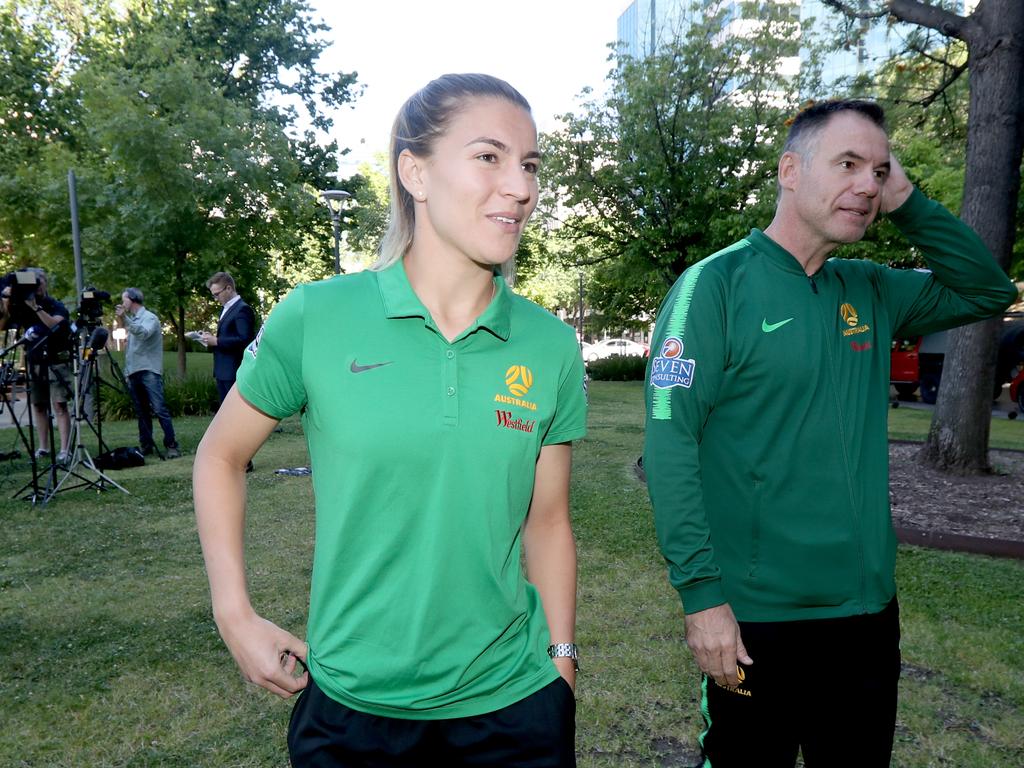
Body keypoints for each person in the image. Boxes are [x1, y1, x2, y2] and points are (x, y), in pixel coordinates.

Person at [194, 73, 587, 767]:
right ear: (416, 172)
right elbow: (220, 457)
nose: (521, 187)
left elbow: (548, 519)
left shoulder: (549, 344)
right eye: (490, 157)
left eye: (529, 165)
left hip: (513, 708)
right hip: (353, 713)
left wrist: (561, 662)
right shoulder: (319, 316)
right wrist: (235, 615)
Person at [643, 99, 1017, 767]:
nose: (867, 185)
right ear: (790, 170)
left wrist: (908, 202)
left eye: (878, 171)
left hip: (867, 614)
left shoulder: (870, 288)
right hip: (757, 617)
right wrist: (703, 600)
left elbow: (989, 289)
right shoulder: (715, 287)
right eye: (847, 164)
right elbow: (670, 445)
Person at [0, 269, 73, 464]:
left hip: (57, 360)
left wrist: (36, 308)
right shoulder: (22, 307)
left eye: (40, 280)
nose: (37, 284)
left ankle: (65, 449)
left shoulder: (55, 305)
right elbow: (3, 323)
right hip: (35, 361)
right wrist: (7, 299)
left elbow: (55, 326)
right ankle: (44, 447)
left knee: (59, 404)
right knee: (39, 406)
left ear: (45, 282)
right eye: (34, 281)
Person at [116, 288, 180, 459]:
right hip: (134, 372)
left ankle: (172, 445)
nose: (122, 303)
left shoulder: (150, 318)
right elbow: (131, 350)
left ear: (133, 299)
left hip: (149, 371)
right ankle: (146, 445)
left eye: (124, 300)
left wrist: (125, 319)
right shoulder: (134, 320)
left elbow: (143, 333)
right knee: (141, 412)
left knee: (159, 409)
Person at [201, 271, 256, 404]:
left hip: (234, 371)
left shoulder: (242, 309)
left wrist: (217, 341)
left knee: (235, 413)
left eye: (217, 294)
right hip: (223, 370)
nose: (215, 298)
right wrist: (211, 339)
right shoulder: (226, 308)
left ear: (229, 288)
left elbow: (245, 339)